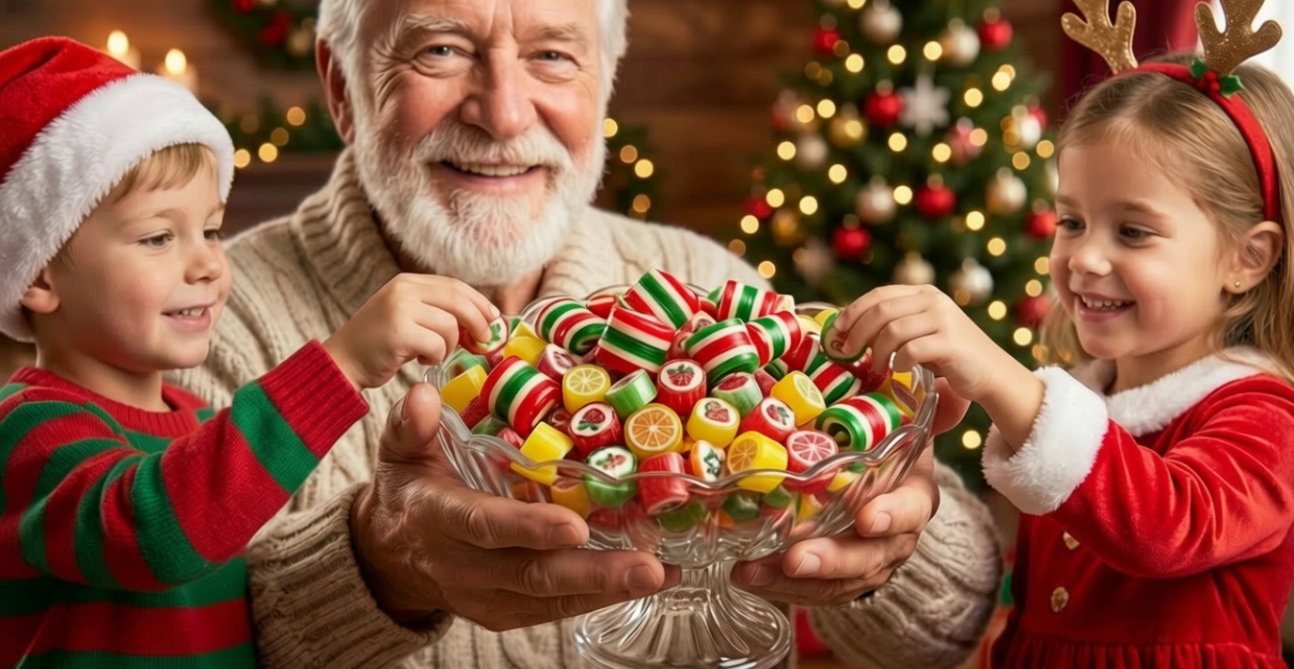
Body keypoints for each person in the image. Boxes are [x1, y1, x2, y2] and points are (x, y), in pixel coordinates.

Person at [171, 0, 1005, 667]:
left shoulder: (709, 290)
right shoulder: (208, 328)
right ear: (343, 86)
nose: (503, 114)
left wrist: (886, 546)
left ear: (604, 83)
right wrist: (378, 567)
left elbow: (941, 634)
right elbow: (162, 639)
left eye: (552, 55)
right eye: (440, 50)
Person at [0, 37, 498, 667]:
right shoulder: (29, 428)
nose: (209, 262)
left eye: (211, 229)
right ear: (40, 276)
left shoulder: (199, 422)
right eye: (158, 237)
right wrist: (338, 365)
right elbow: (155, 532)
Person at [827, 2, 1294, 666]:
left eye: (1132, 230)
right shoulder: (1080, 404)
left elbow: (1169, 523)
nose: (1083, 258)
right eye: (1071, 221)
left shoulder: (1264, 415)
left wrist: (997, 375)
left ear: (1247, 258)